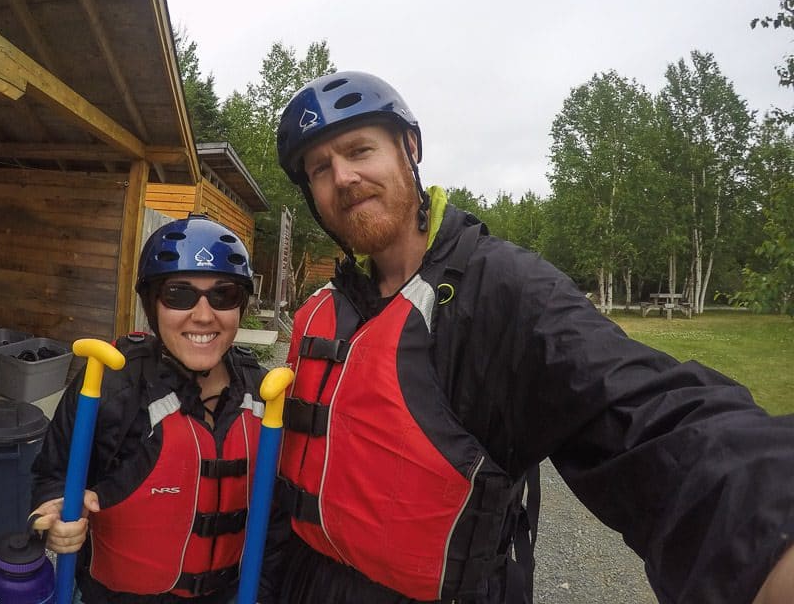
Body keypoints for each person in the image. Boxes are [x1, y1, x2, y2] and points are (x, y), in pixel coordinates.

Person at [266, 70, 794, 604]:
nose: (344, 177)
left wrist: (766, 529)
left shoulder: (505, 290)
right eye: (321, 169)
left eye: (360, 150)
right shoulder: (323, 309)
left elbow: (640, 410)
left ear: (410, 147)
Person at [31, 213, 272, 604]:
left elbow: (275, 519)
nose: (204, 315)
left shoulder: (264, 394)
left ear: (240, 306)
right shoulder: (112, 388)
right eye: (179, 294)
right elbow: (50, 479)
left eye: (223, 295)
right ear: (153, 304)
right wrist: (53, 520)